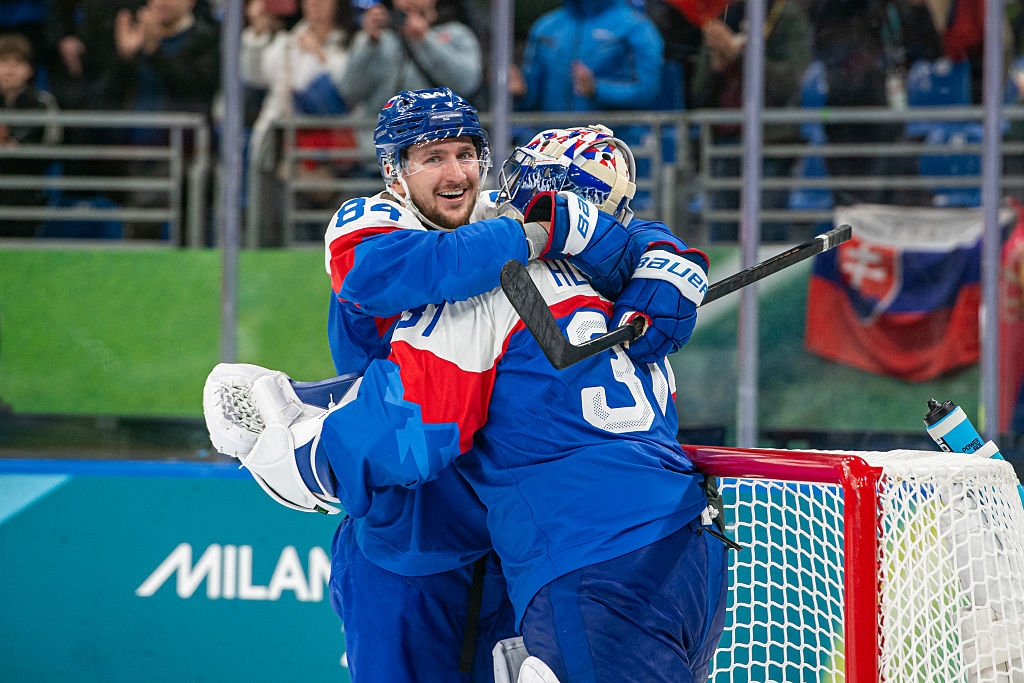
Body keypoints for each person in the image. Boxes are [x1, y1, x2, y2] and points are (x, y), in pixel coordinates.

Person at [204, 94, 728, 682]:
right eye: (432, 158)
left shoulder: (503, 226)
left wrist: (664, 255)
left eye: (467, 154)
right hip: (412, 540)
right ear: (393, 172)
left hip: (513, 548)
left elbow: (603, 222)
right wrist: (550, 233)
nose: (455, 174)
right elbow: (399, 275)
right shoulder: (378, 221)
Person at [688, 0, 811, 242]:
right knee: (723, 230)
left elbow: (791, 82)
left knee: (768, 230)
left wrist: (737, 56)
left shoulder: (785, 14)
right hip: (723, 141)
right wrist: (716, 67)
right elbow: (699, 93)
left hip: (772, 141)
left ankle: (771, 281)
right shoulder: (720, 15)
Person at [242, 0, 359, 243]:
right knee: (283, 223)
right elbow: (253, 75)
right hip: (288, 149)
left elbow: (347, 92)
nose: (315, 4)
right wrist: (258, 32)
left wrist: (318, 54)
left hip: (338, 153)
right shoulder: (287, 42)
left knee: (339, 227)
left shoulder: (351, 42)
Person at [338, 0, 483, 114]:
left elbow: (466, 83)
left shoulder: (457, 34)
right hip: (382, 139)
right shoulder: (377, 38)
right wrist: (370, 45)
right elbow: (349, 91)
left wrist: (425, 40)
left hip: (438, 133)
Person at [0, 33, 60, 238]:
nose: (9, 69)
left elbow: (51, 148)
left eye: (17, 62)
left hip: (25, 196)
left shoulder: (43, 103)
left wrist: (18, 149)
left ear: (29, 69)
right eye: (3, 62)